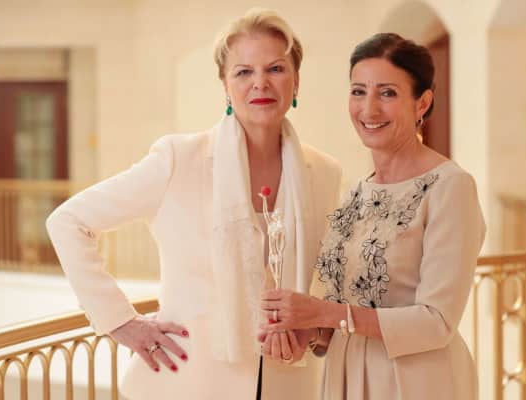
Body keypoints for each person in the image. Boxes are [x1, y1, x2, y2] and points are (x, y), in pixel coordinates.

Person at [46, 8, 341, 400]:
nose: (260, 83)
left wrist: (314, 331)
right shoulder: (178, 159)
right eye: (243, 72)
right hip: (187, 382)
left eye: (275, 68)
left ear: (296, 80)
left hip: (290, 384)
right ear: (225, 86)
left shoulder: (324, 172)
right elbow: (68, 221)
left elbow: (326, 281)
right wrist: (119, 321)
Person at [260, 33, 486, 400]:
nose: (369, 109)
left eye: (388, 93)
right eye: (358, 91)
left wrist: (324, 313)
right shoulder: (357, 191)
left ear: (423, 102)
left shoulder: (450, 187)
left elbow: (437, 322)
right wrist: (309, 331)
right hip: (347, 376)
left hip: (416, 383)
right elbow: (350, 306)